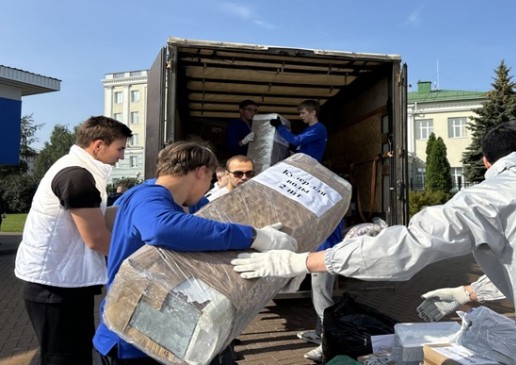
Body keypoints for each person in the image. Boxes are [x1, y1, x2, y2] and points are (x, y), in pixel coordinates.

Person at [232, 120, 516, 365]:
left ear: (487, 163)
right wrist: (467, 290)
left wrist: (302, 262)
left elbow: (403, 249)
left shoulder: (495, 194)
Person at [93, 141, 297, 365]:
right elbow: (161, 228)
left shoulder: (180, 202)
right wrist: (254, 236)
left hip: (165, 331)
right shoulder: (148, 196)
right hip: (132, 338)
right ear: (202, 172)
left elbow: (210, 230)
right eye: (210, 180)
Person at [14, 116, 133, 365]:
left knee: (74, 353)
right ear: (98, 145)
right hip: (54, 287)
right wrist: (138, 264)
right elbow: (97, 239)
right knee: (64, 358)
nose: (121, 155)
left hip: (64, 282)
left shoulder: (81, 170)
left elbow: (99, 217)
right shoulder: (76, 176)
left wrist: (138, 209)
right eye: (120, 148)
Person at [271, 99, 340, 362]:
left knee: (322, 299)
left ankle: (328, 344)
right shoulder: (321, 197)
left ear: (312, 112)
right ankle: (319, 333)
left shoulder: (319, 129)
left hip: (325, 256)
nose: (300, 115)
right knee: (317, 296)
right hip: (319, 254)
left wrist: (279, 129)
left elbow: (297, 140)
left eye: (302, 112)